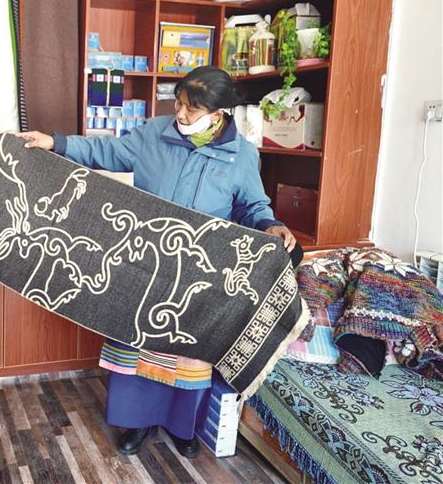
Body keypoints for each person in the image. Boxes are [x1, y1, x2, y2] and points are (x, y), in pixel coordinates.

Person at [18, 66, 301, 459]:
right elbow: (107, 152)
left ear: (218, 114)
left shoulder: (242, 155)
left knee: (188, 354)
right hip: (146, 262)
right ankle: (136, 423)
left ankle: (182, 427)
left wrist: (270, 224)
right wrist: (55, 142)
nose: (180, 114)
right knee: (138, 346)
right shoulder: (154, 133)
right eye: (179, 104)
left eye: (192, 109)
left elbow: (251, 206)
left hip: (200, 273)